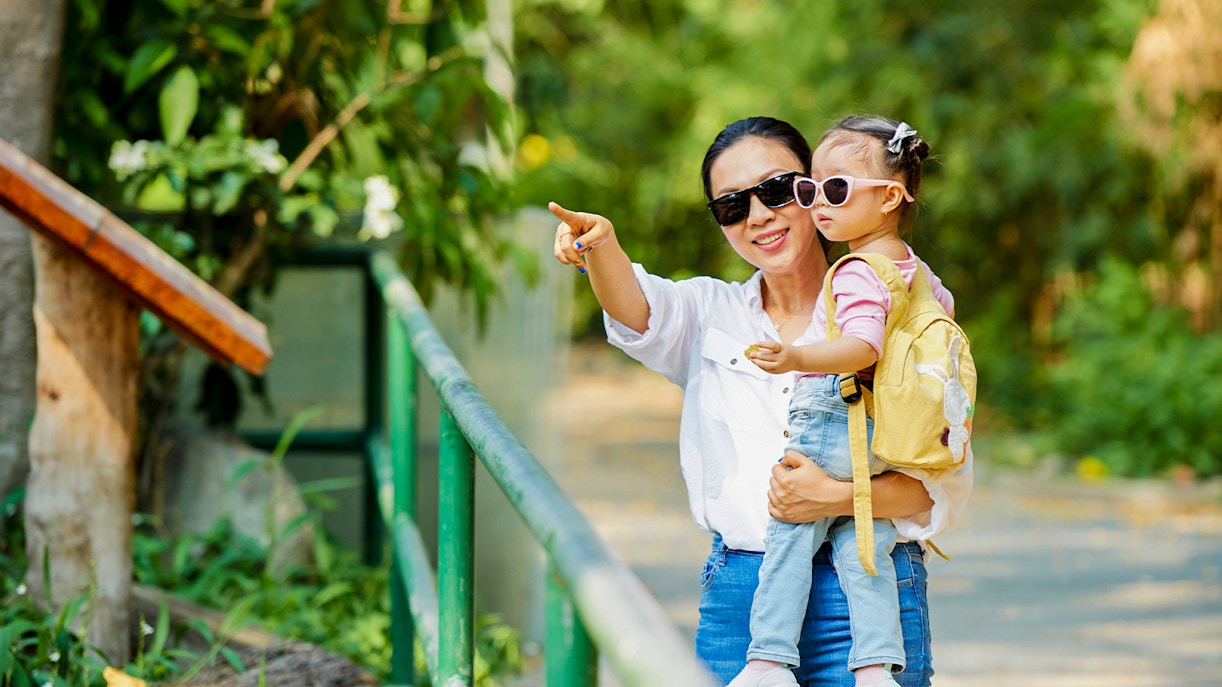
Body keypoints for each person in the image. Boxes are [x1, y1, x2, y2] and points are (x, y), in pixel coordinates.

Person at [549, 116, 971, 687]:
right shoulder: (709, 312)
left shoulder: (900, 309)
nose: (759, 216)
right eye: (732, 206)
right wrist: (600, 248)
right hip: (741, 605)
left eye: (777, 190)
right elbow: (637, 310)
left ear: (818, 186)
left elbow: (937, 482)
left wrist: (835, 498)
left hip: (867, 596)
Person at [726, 116, 963, 687]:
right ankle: (877, 665)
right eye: (809, 190)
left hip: (834, 420)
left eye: (835, 190)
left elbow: (862, 346)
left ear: (888, 198)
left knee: (788, 537)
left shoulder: (856, 269)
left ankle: (768, 660)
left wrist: (795, 357)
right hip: (887, 435)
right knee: (868, 547)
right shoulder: (922, 276)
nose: (816, 205)